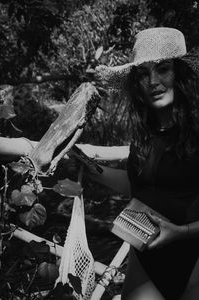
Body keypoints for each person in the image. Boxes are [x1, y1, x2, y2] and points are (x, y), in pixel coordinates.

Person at [82, 27, 199, 300]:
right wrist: (94, 171)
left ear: (180, 73)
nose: (153, 81)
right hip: (147, 255)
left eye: (163, 68)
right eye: (144, 73)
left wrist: (182, 233)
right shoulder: (145, 133)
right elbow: (141, 185)